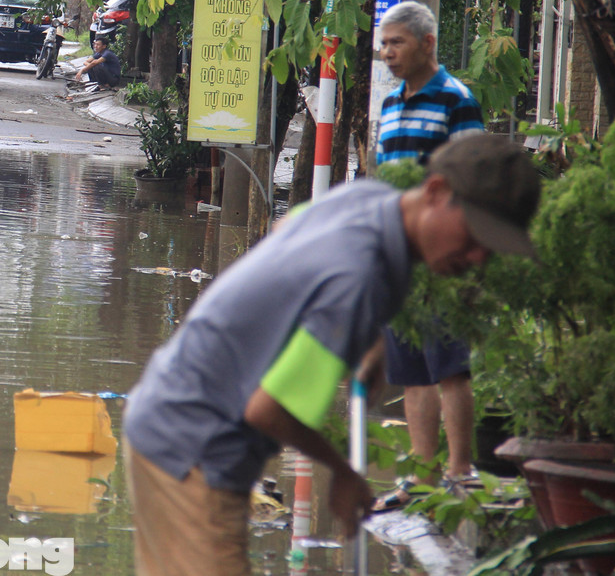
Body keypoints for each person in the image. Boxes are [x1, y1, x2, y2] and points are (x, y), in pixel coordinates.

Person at [124, 132, 542, 576]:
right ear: (437, 192)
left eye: (493, 246)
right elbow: (268, 409)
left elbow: (289, 230)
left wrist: (374, 337)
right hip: (191, 450)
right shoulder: (358, 279)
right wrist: (341, 472)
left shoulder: (369, 199)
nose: (478, 257)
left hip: (165, 412)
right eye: (475, 234)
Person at [372, 0, 486, 509]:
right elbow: (383, 179)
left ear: (427, 44)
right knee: (410, 370)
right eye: (385, 43)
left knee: (450, 366)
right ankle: (421, 472)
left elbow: (474, 178)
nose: (387, 53)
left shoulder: (456, 99)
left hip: (443, 255)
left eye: (396, 43)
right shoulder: (391, 104)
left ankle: (461, 469)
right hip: (401, 254)